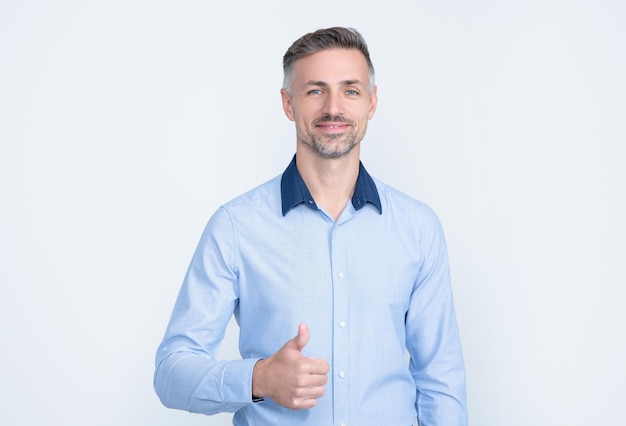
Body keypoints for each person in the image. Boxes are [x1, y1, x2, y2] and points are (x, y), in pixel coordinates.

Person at [154, 26, 467, 425]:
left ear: (371, 103)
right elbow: (170, 372)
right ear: (288, 103)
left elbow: (441, 382)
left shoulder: (418, 228)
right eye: (315, 90)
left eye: (350, 90)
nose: (333, 108)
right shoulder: (235, 228)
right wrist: (259, 378)